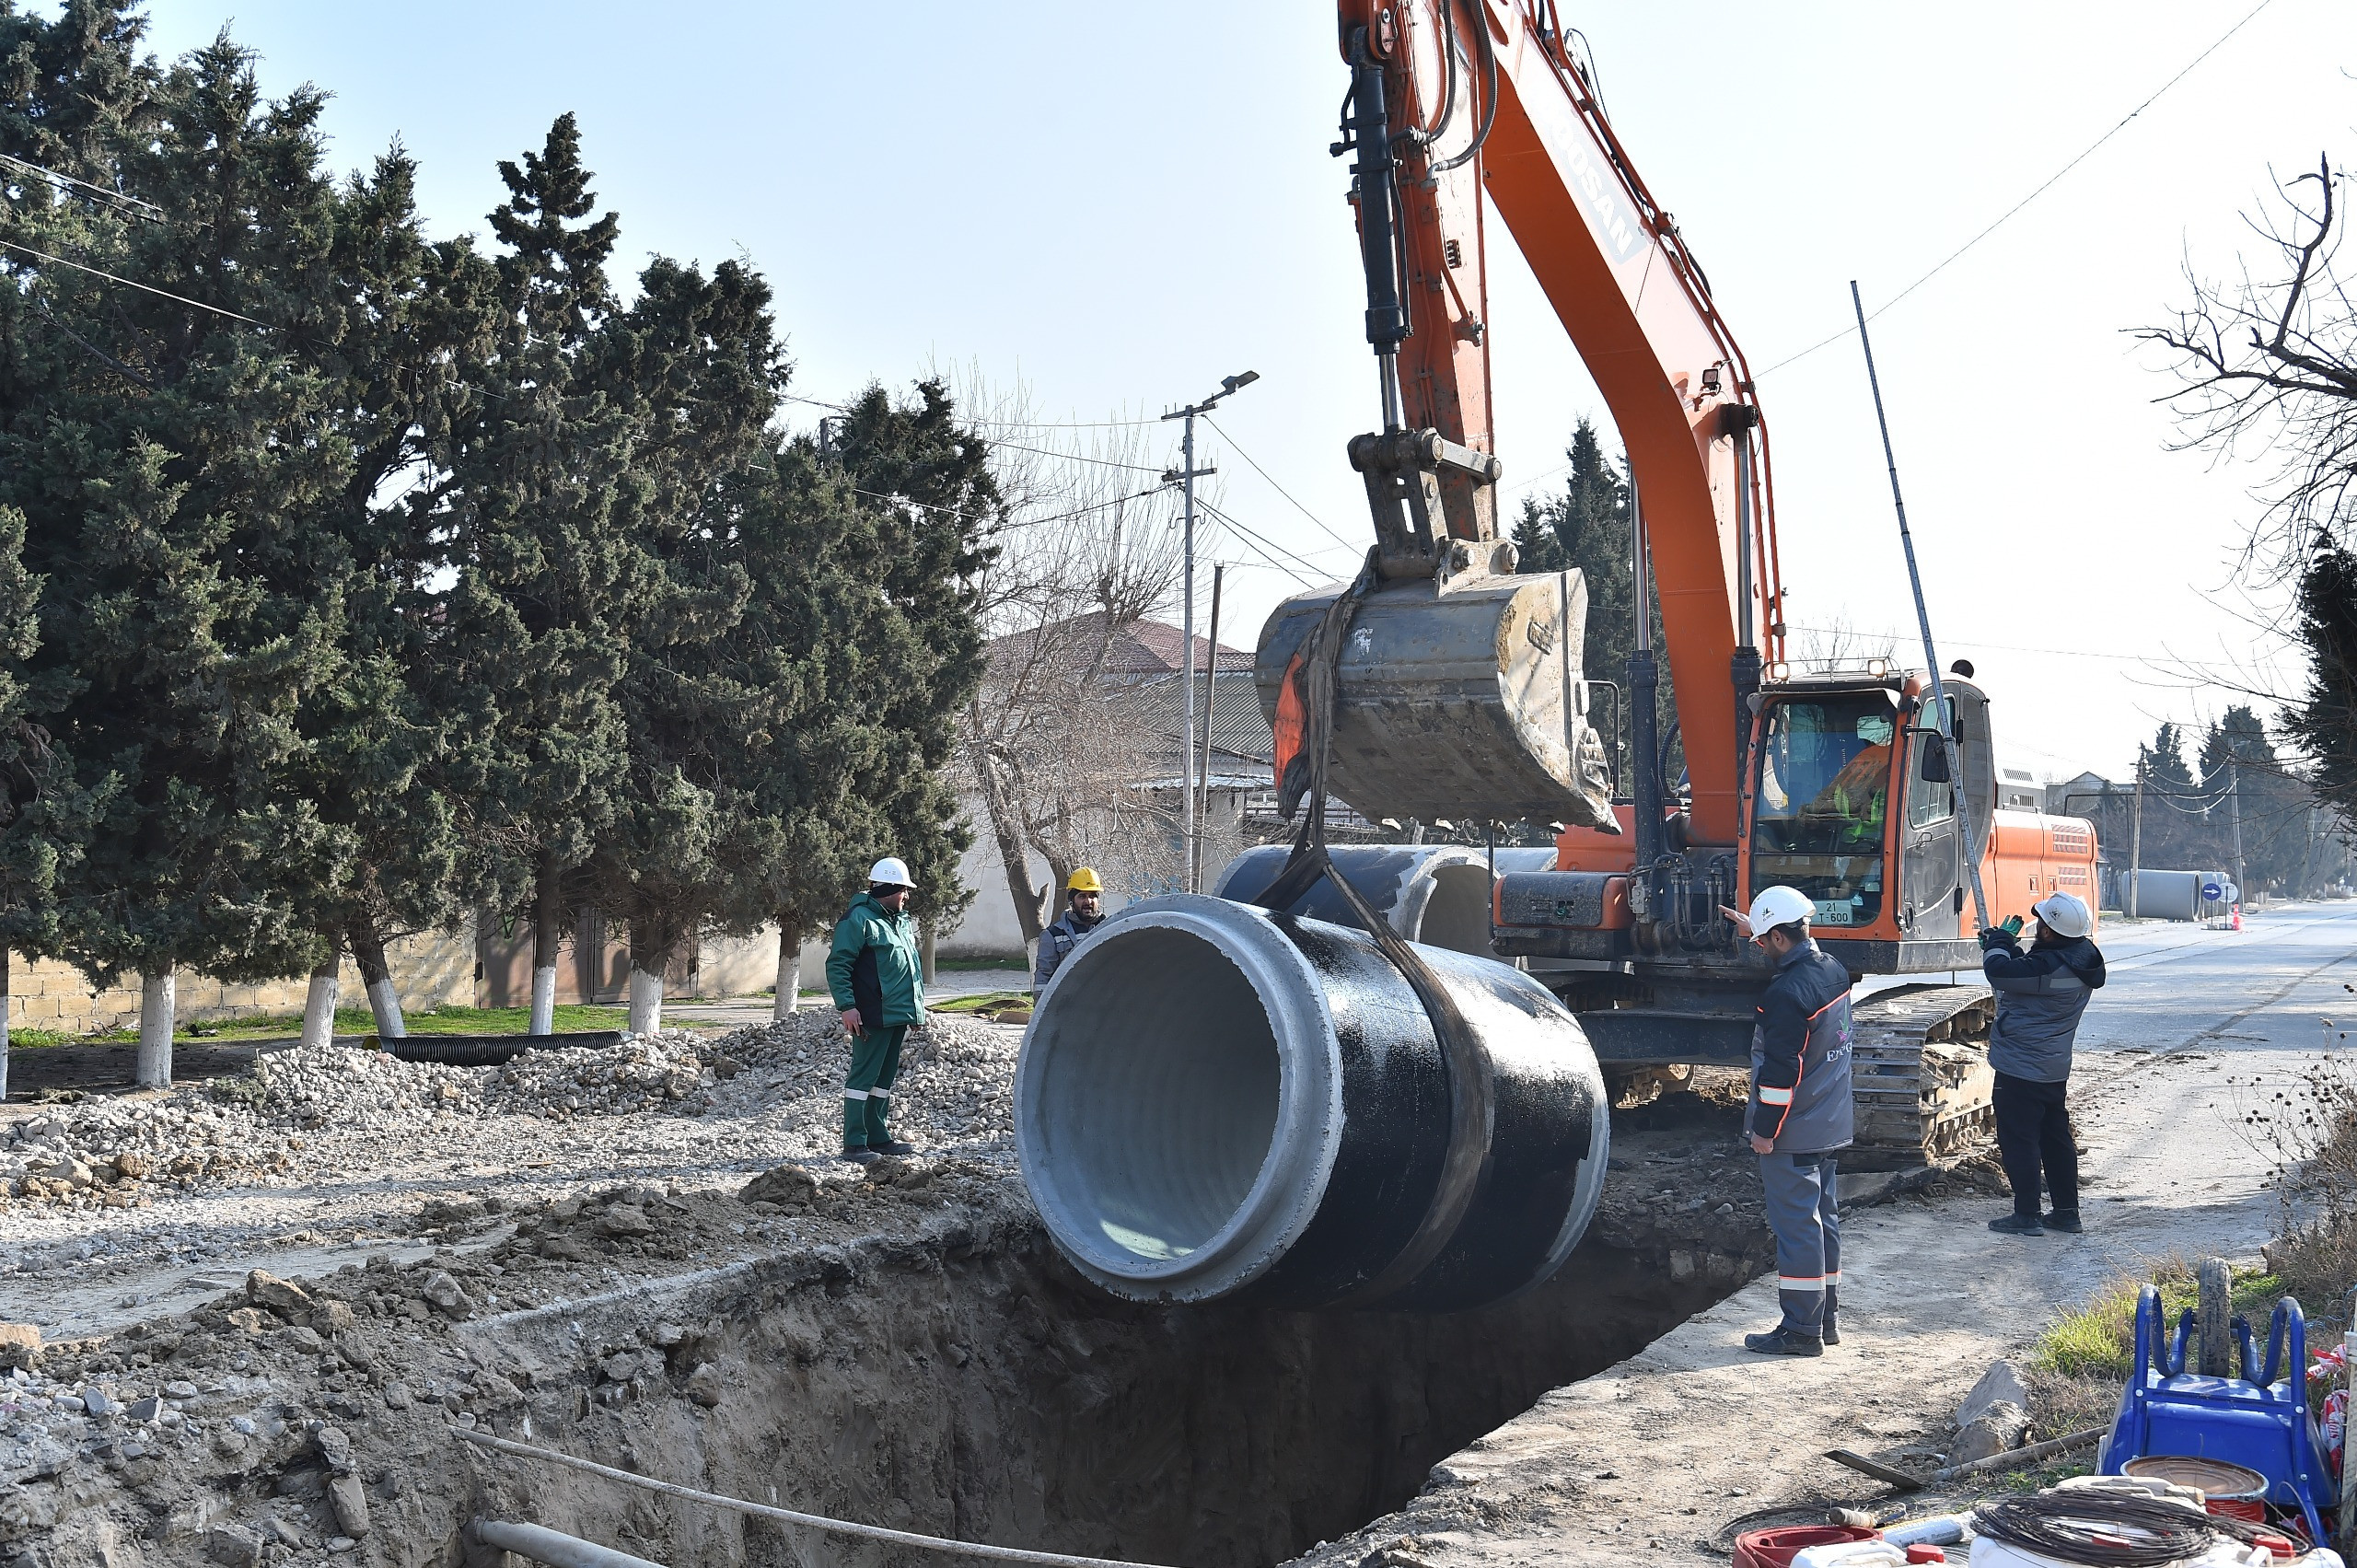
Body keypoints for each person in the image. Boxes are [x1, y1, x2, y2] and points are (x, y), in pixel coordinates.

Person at [1719, 884, 1856, 1357]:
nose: (1759, 946)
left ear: (1778, 937)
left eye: (1762, 939)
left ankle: (1800, 1330)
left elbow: (1779, 1076)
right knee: (1824, 1222)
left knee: (1797, 1227)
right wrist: (1753, 927)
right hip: (1830, 1122)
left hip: (1793, 1129)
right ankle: (1826, 1319)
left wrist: (1763, 1131)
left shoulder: (1784, 995)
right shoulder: (1832, 970)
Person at [1980, 890, 2106, 1237]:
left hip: (2021, 1067)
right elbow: (2033, 973)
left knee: (2019, 1139)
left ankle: (2027, 1215)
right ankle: (2067, 1212)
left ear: (2050, 932)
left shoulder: (2046, 967)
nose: (2037, 927)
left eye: (2042, 923)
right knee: (2055, 1138)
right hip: (2052, 1066)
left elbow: (2000, 973)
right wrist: (2008, 950)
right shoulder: (2084, 957)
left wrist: (1999, 943)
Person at [826, 856, 926, 1165]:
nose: (906, 896)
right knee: (863, 1077)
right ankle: (854, 1142)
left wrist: (915, 1012)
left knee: (883, 1079)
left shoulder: (900, 921)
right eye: (903, 891)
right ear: (888, 888)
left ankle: (878, 1137)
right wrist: (847, 1007)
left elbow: (910, 969)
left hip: (897, 1014)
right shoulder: (858, 920)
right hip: (871, 1015)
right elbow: (838, 965)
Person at [1033, 867, 1107, 990]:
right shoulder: (1053, 935)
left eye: (1092, 896)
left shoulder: (1108, 930)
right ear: (1072, 900)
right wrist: (1041, 1007)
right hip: (1067, 1004)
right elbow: (1044, 976)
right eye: (1082, 896)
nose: (1088, 901)